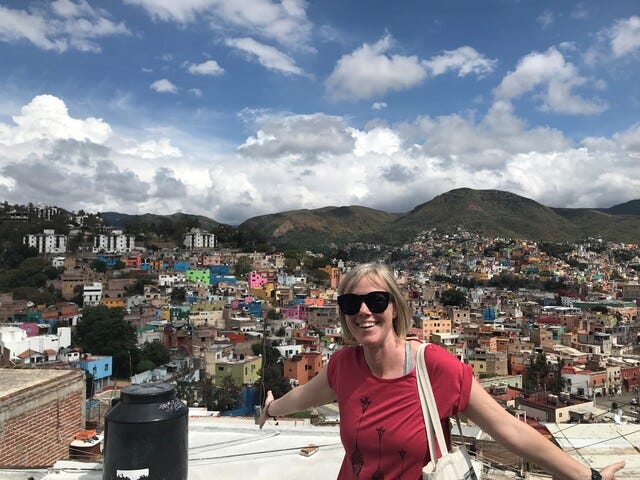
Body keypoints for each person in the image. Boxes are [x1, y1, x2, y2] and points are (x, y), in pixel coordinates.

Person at [258, 263, 624, 480]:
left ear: (396, 308)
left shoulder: (433, 366)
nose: (364, 311)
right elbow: (300, 398)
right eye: (352, 303)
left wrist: (586, 476)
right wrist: (271, 408)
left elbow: (510, 430)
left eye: (377, 300)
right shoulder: (343, 366)